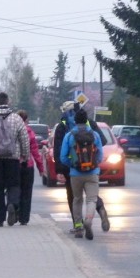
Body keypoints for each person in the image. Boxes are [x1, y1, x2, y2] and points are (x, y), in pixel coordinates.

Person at [52, 101, 111, 233]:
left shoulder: (62, 125)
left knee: (74, 197)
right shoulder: (89, 123)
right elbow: (104, 141)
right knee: (92, 196)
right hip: (91, 167)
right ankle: (100, 209)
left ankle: (78, 226)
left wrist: (62, 169)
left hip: (72, 169)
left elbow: (58, 150)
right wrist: (94, 161)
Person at [0, 91, 30, 227]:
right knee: (14, 185)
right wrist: (25, 157)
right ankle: (12, 204)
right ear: (7, 102)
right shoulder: (16, 119)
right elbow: (24, 140)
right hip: (13, 158)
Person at [60, 108, 103, 240]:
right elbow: (100, 156)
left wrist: (72, 165)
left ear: (75, 120)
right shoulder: (95, 135)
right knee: (91, 200)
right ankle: (88, 220)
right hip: (92, 173)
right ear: (86, 120)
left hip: (75, 173)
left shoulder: (69, 135)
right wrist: (94, 165)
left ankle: (78, 226)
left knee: (77, 199)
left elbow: (62, 157)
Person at [16, 109, 45, 225]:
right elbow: (35, 152)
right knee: (27, 193)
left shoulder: (12, 131)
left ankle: (15, 208)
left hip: (15, 165)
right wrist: (41, 168)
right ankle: (24, 218)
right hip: (28, 165)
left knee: (15, 189)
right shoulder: (29, 132)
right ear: (26, 119)